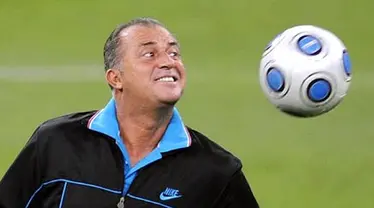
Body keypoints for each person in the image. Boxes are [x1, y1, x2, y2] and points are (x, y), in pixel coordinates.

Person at [0, 17, 260, 208]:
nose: (169, 61)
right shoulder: (56, 142)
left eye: (174, 53)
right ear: (116, 78)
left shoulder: (216, 171)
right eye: (150, 54)